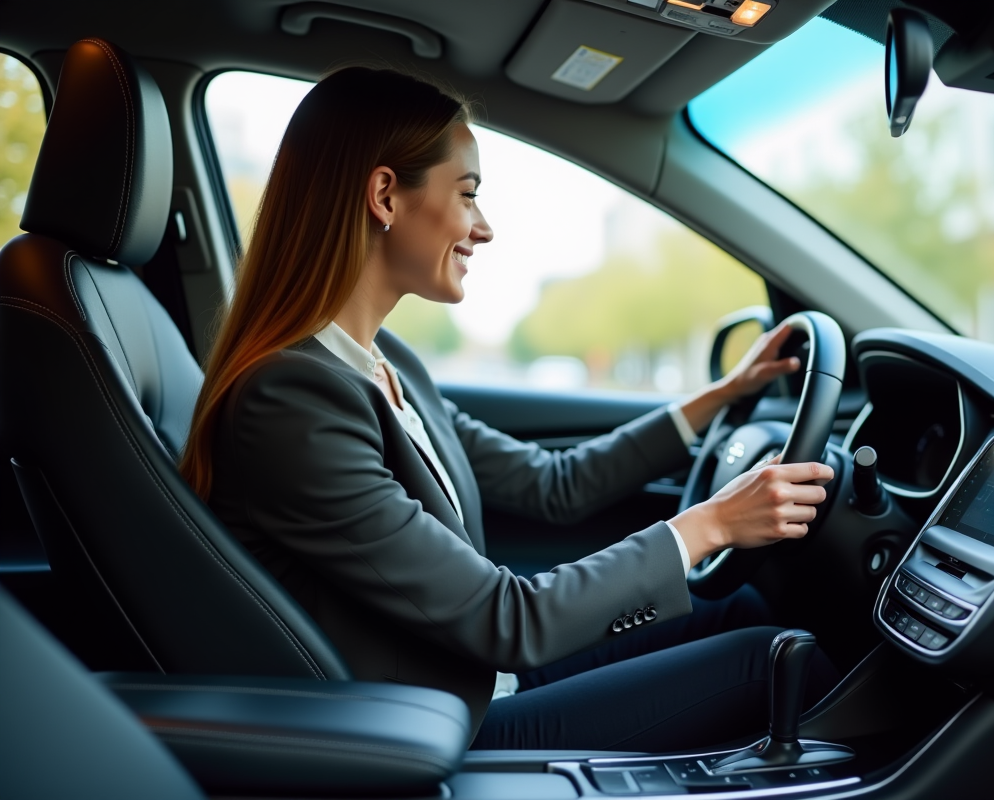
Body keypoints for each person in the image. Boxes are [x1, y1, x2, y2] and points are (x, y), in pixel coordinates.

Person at [181, 66, 836, 752]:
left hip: (475, 674)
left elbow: (553, 485)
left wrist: (720, 398)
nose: (483, 228)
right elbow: (508, 618)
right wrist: (712, 524)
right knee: (774, 659)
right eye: (467, 195)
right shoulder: (293, 403)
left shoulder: (384, 362)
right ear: (384, 196)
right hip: (436, 727)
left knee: (735, 607)